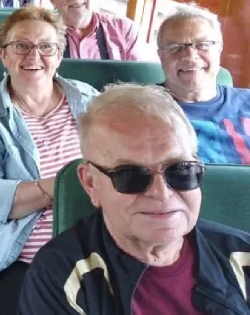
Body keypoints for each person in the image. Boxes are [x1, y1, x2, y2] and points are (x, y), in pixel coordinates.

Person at [19, 84, 250, 314]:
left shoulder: (243, 256)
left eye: (180, 170)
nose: (161, 193)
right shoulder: (59, 277)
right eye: (130, 176)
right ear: (91, 183)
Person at [0, 6, 99, 315]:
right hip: (25, 255)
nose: (34, 56)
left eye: (46, 47)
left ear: (59, 55)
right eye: (21, 46)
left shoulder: (91, 102)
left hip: (104, 247)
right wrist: (64, 187)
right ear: (4, 55)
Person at [157, 8, 250, 164]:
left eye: (202, 45)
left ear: (219, 49)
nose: (190, 56)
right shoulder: (142, 109)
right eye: (175, 48)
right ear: (160, 56)